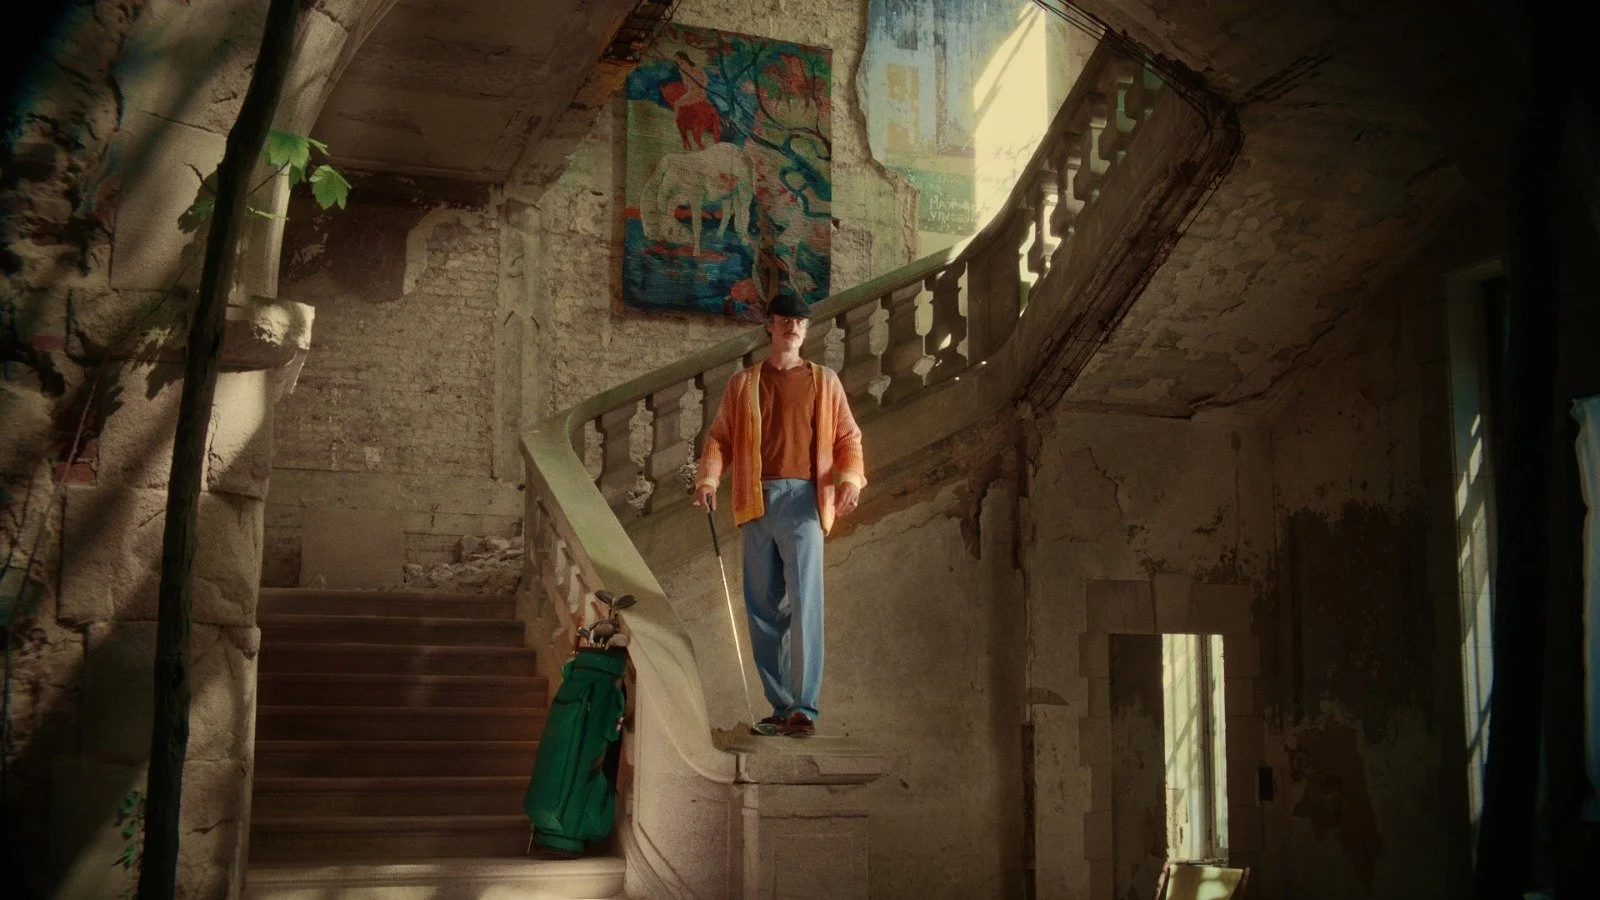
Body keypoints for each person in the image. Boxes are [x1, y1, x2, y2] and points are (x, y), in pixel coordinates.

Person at [693, 293, 865, 736]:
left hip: (805, 502)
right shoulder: (743, 383)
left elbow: (848, 436)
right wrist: (708, 480)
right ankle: (780, 703)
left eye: (801, 321)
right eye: (785, 320)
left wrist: (849, 480)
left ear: (807, 330)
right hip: (755, 501)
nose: (793, 327)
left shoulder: (825, 382)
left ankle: (805, 707)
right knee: (763, 607)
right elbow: (719, 438)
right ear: (769, 325)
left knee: (806, 602)